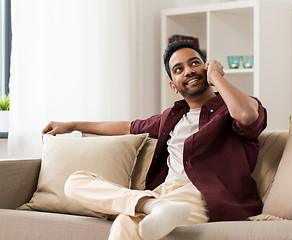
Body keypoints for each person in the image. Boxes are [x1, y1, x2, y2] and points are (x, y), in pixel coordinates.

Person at [43, 40, 267, 240]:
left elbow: (247, 116)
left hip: (203, 196)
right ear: (173, 85)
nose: (188, 71)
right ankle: (153, 206)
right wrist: (72, 125)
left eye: (195, 63)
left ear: (206, 67)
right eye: (179, 69)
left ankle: (155, 207)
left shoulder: (231, 108)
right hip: (162, 195)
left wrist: (216, 77)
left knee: (126, 222)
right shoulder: (170, 118)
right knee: (75, 182)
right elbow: (126, 127)